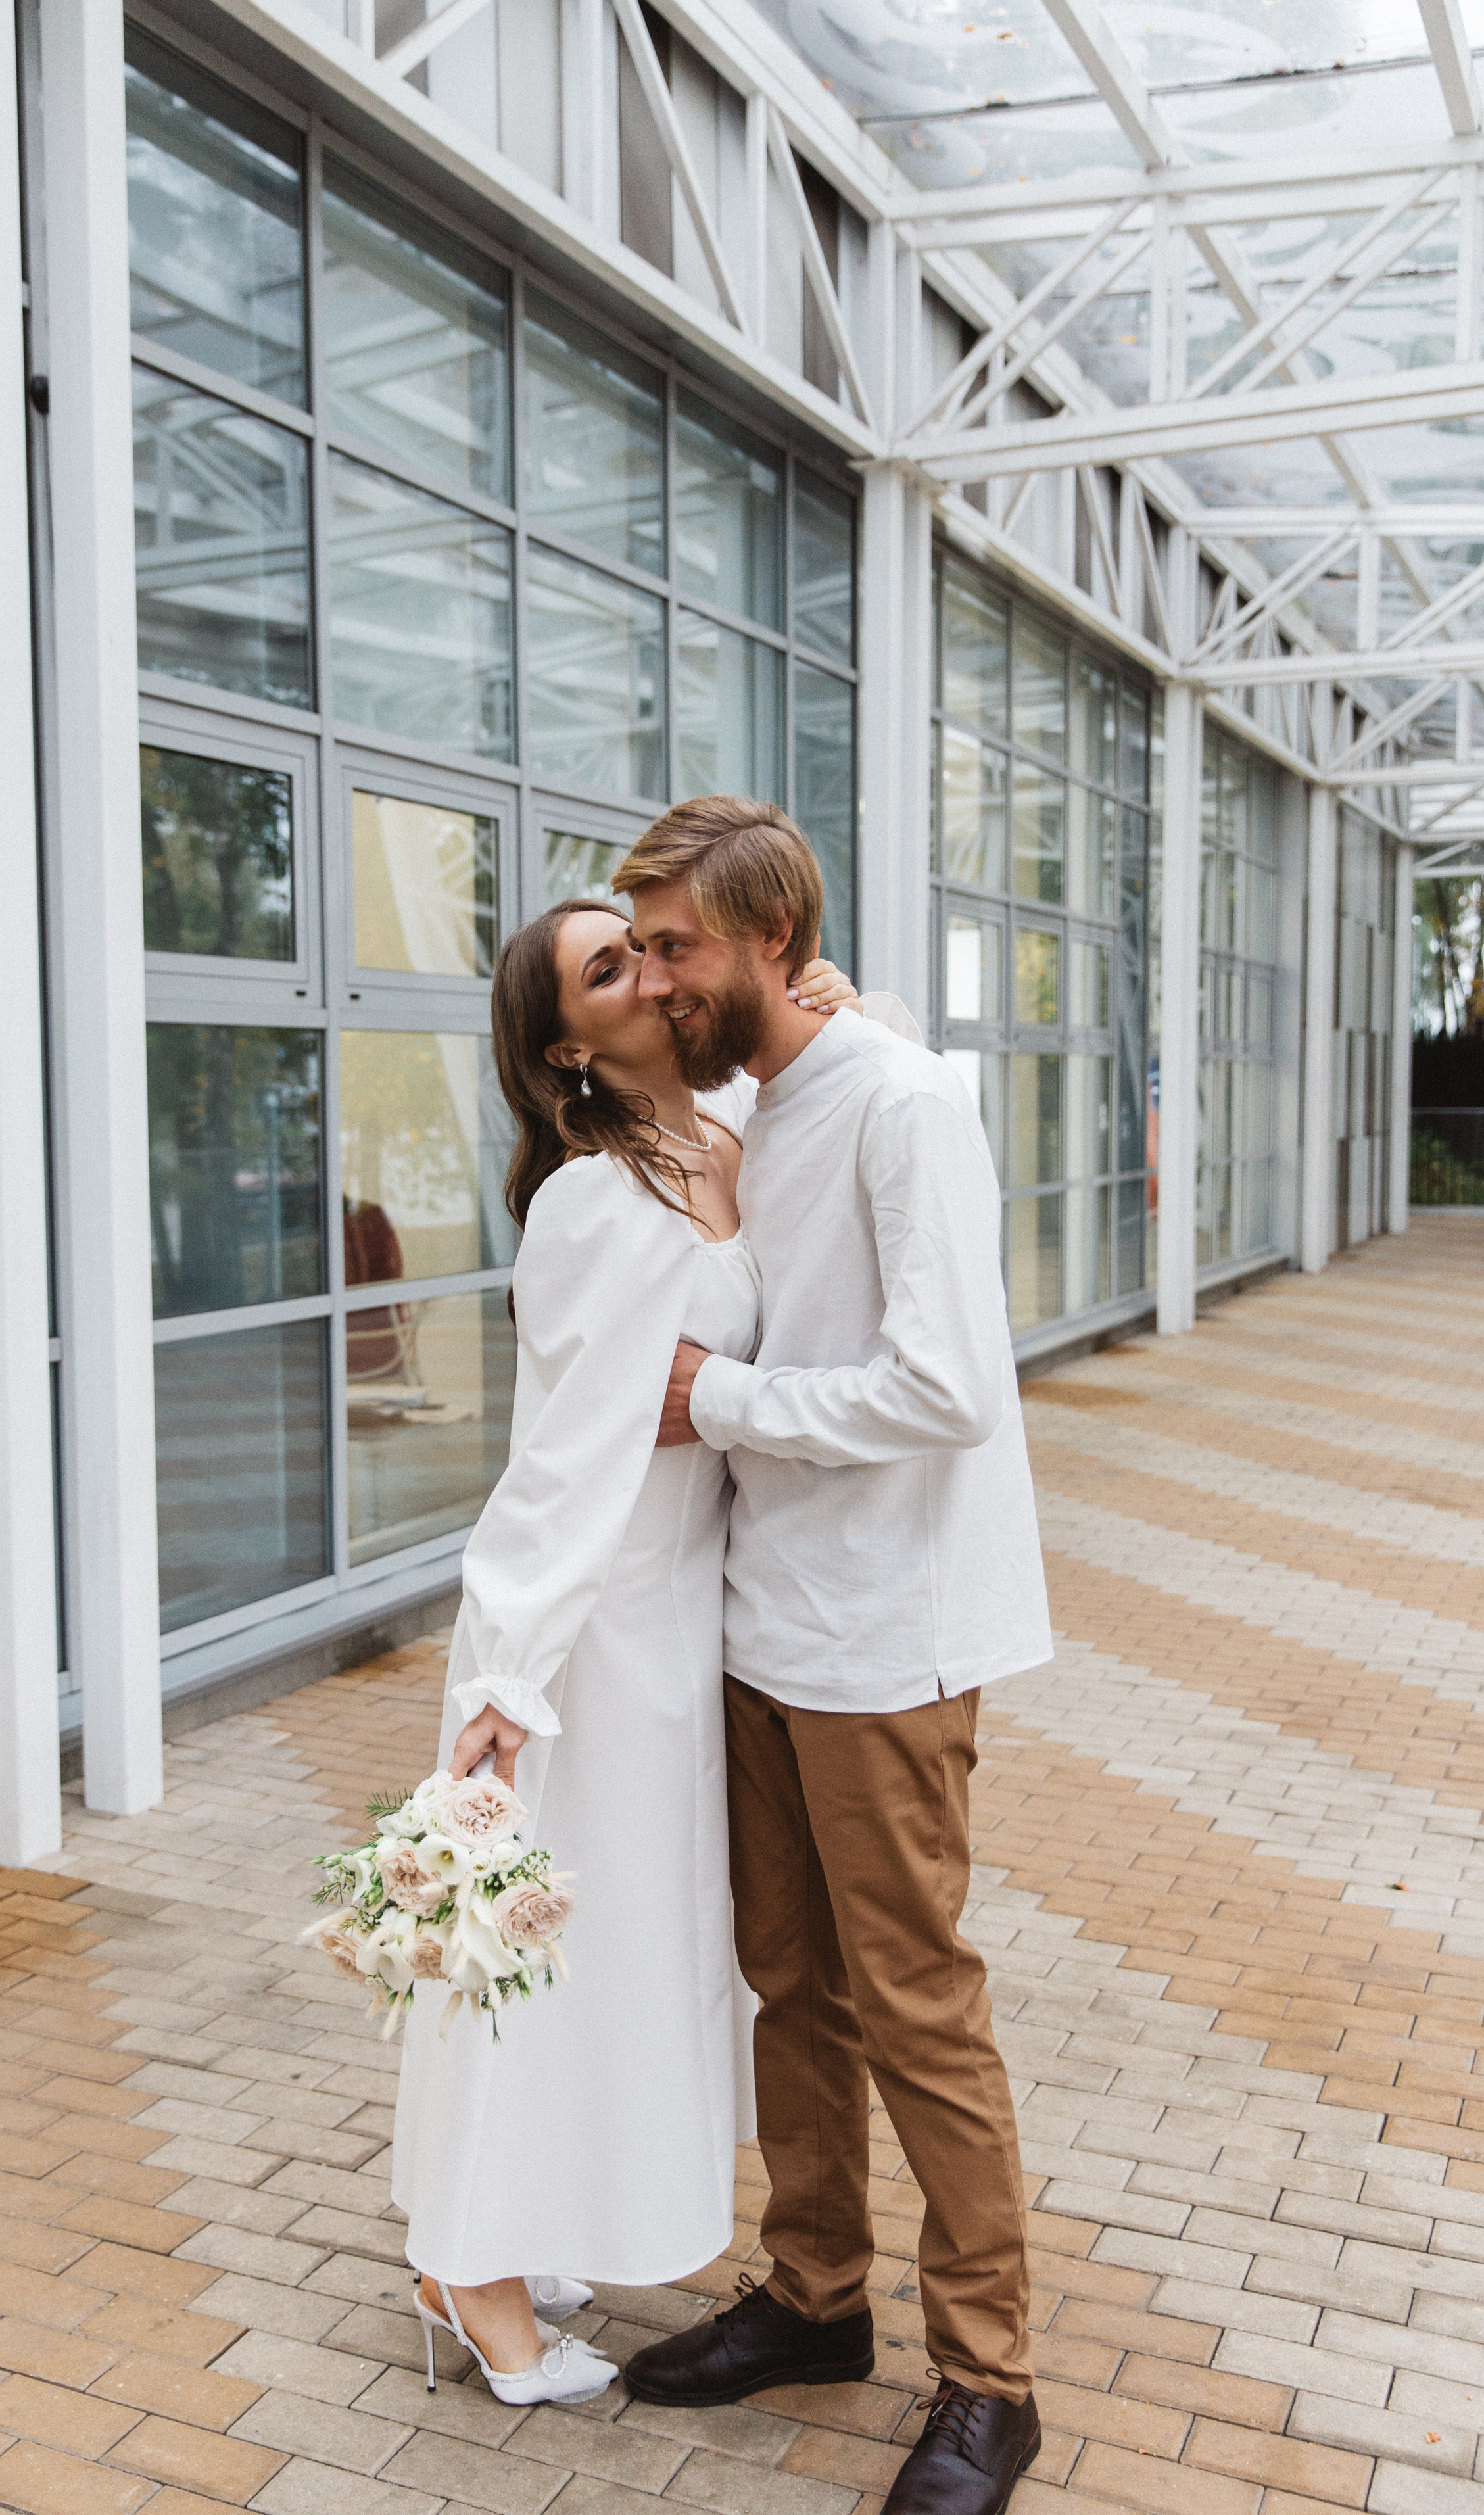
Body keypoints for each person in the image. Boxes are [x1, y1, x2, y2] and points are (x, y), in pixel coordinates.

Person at [615, 800, 1053, 2515]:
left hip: (887, 1639)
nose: (655, 979)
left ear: (774, 943)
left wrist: (709, 1402)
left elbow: (952, 1385)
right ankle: (814, 2299)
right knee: (791, 1991)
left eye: (679, 949)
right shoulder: (769, 1090)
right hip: (763, 1624)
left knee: (915, 2007)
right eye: (640, 948)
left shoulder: (903, 1106)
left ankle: (989, 2382)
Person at [389, 897, 861, 2406]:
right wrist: (511, 1681)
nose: (651, 976)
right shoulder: (593, 1202)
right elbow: (562, 1464)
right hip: (583, 1644)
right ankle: (467, 2266)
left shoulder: (722, 1140)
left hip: (677, 1631)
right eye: (611, 969)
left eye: (649, 949)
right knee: (530, 1963)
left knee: (616, 1964)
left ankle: (511, 2228)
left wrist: (848, 1013)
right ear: (562, 1052)